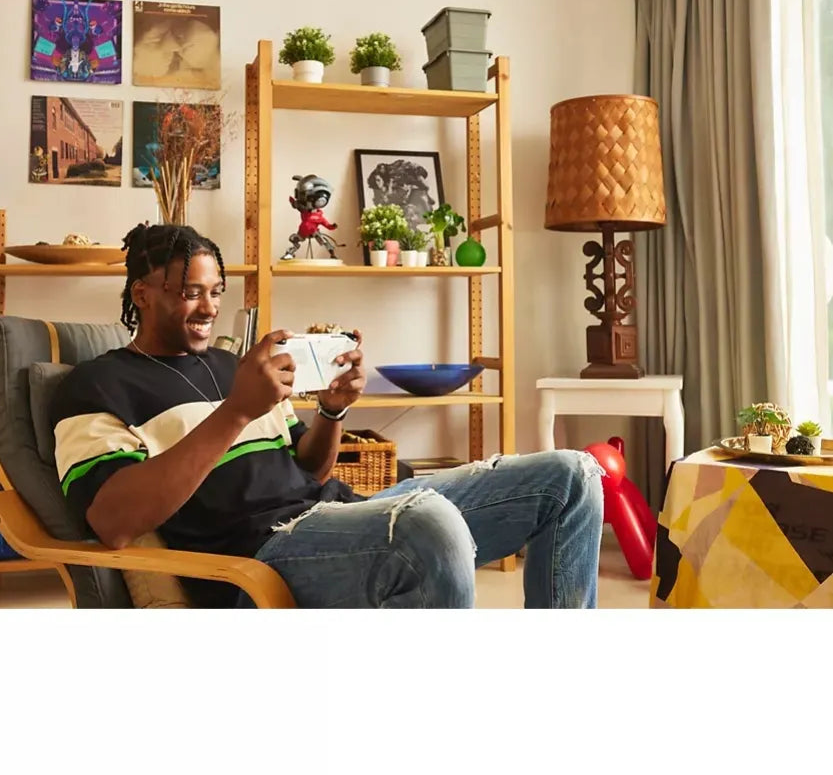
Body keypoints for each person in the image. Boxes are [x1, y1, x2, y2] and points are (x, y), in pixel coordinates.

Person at [51, 222, 605, 608]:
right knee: (428, 526)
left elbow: (308, 472)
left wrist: (332, 411)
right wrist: (237, 413)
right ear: (142, 293)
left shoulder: (233, 363)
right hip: (264, 553)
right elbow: (112, 522)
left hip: (344, 514)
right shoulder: (96, 385)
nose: (209, 307)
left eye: (216, 291)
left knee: (572, 477)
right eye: (189, 292)